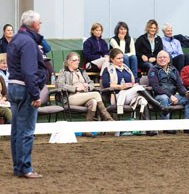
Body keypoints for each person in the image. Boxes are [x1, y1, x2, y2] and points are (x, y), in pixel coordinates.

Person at [7, 10, 47, 178]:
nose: (40, 25)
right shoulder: (29, 43)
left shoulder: (15, 39)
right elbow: (29, 71)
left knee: (17, 129)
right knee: (27, 131)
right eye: (39, 22)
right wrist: (36, 94)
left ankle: (18, 167)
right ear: (33, 24)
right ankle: (26, 168)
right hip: (25, 89)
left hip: (13, 87)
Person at [102, 48, 158, 136]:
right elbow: (106, 85)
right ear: (112, 59)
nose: (121, 60)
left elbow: (134, 80)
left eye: (122, 58)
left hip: (129, 94)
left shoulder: (126, 68)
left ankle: (148, 129)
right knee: (138, 88)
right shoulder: (107, 69)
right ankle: (157, 104)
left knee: (143, 100)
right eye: (118, 58)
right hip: (117, 96)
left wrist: (132, 84)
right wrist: (121, 86)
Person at [56, 52, 114, 124]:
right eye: (75, 60)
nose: (77, 62)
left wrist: (88, 86)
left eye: (78, 60)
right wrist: (75, 88)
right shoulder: (64, 72)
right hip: (70, 97)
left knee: (93, 102)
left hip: (84, 95)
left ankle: (87, 128)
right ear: (68, 62)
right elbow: (60, 85)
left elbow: (91, 83)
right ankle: (108, 118)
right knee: (96, 94)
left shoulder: (82, 71)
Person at [148, 50, 189, 135]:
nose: (162, 59)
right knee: (164, 97)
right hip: (159, 97)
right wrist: (170, 96)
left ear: (169, 60)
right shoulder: (153, 70)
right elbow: (156, 87)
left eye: (164, 57)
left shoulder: (174, 70)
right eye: (160, 57)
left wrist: (186, 93)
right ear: (156, 59)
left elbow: (179, 86)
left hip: (173, 96)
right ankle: (167, 126)